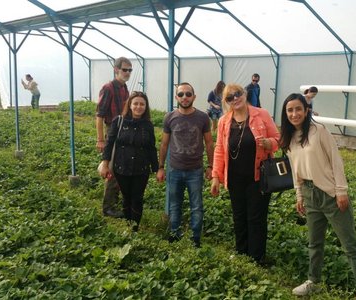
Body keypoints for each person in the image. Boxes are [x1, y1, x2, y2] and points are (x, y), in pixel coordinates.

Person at [279, 93, 356, 296]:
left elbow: (336, 161)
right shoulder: (289, 137)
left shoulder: (319, 131)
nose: (294, 113)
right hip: (309, 195)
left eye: (298, 109)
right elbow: (295, 169)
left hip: (330, 194)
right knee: (315, 243)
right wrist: (299, 195)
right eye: (290, 110)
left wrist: (341, 191)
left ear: (307, 110)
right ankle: (313, 280)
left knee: (349, 244)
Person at [210, 83, 280, 264]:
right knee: (239, 216)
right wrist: (216, 176)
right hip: (234, 179)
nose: (235, 98)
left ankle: (256, 258)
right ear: (225, 102)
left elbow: (278, 139)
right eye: (229, 97)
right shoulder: (224, 121)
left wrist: (269, 143)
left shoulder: (261, 114)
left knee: (256, 218)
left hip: (258, 178)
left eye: (238, 94)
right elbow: (219, 149)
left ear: (245, 93)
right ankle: (242, 254)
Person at [156, 82, 214, 248]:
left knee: (197, 206)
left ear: (194, 97)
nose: (185, 97)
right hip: (174, 169)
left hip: (195, 170)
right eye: (181, 94)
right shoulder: (170, 117)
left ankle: (196, 240)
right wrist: (161, 167)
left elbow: (209, 143)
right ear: (176, 97)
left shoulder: (203, 117)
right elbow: (164, 144)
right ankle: (175, 236)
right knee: (175, 206)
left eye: (188, 94)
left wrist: (210, 166)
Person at [99, 91, 158, 231]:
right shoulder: (118, 121)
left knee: (137, 198)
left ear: (146, 107)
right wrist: (105, 164)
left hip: (141, 169)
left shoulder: (148, 125)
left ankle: (135, 229)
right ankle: (128, 224)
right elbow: (109, 144)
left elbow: (151, 148)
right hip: (121, 167)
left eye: (142, 104)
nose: (139, 107)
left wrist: (157, 169)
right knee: (126, 197)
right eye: (135, 103)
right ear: (130, 105)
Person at [95, 57, 132, 218]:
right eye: (125, 70)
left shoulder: (124, 88)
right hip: (113, 130)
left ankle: (115, 202)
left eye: (130, 70)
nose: (128, 73)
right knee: (112, 170)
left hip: (124, 131)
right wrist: (101, 139)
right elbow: (99, 116)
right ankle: (108, 207)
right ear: (116, 69)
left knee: (120, 167)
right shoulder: (108, 88)